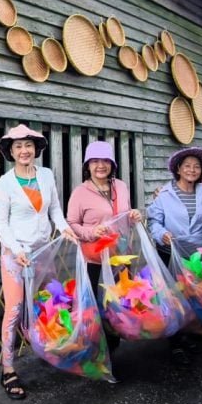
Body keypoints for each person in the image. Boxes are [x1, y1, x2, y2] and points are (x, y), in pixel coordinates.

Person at [0, 124, 77, 400]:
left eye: (28, 145)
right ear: (10, 151)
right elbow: (0, 222)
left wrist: (64, 227)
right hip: (16, 256)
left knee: (48, 300)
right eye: (18, 146)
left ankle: (47, 347)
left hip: (43, 252)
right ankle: (8, 368)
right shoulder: (5, 183)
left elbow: (54, 209)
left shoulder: (46, 175)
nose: (24, 150)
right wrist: (16, 249)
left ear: (36, 149)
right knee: (15, 310)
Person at [66, 141, 142, 355]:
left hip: (119, 257)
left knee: (117, 305)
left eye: (105, 161)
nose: (101, 165)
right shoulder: (80, 192)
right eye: (95, 161)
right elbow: (71, 224)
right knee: (96, 308)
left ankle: (112, 351)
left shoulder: (121, 186)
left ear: (112, 164)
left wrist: (133, 216)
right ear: (87, 165)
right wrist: (91, 232)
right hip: (94, 260)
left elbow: (123, 218)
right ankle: (99, 354)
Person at [147, 146, 202, 365]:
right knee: (173, 296)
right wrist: (161, 234)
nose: (192, 170)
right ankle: (175, 341)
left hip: (196, 253)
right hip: (170, 251)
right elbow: (153, 221)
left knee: (195, 294)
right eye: (187, 165)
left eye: (196, 167)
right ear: (178, 168)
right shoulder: (164, 193)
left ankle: (190, 334)